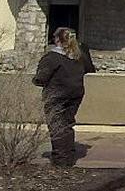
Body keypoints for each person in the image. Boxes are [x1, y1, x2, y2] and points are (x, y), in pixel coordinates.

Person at [34, 28, 88, 166]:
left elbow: (41, 78)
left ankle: (60, 160)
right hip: (75, 93)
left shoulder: (52, 57)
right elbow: (89, 68)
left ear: (57, 39)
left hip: (56, 95)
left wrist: (37, 80)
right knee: (67, 124)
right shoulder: (79, 56)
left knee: (57, 125)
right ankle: (68, 156)